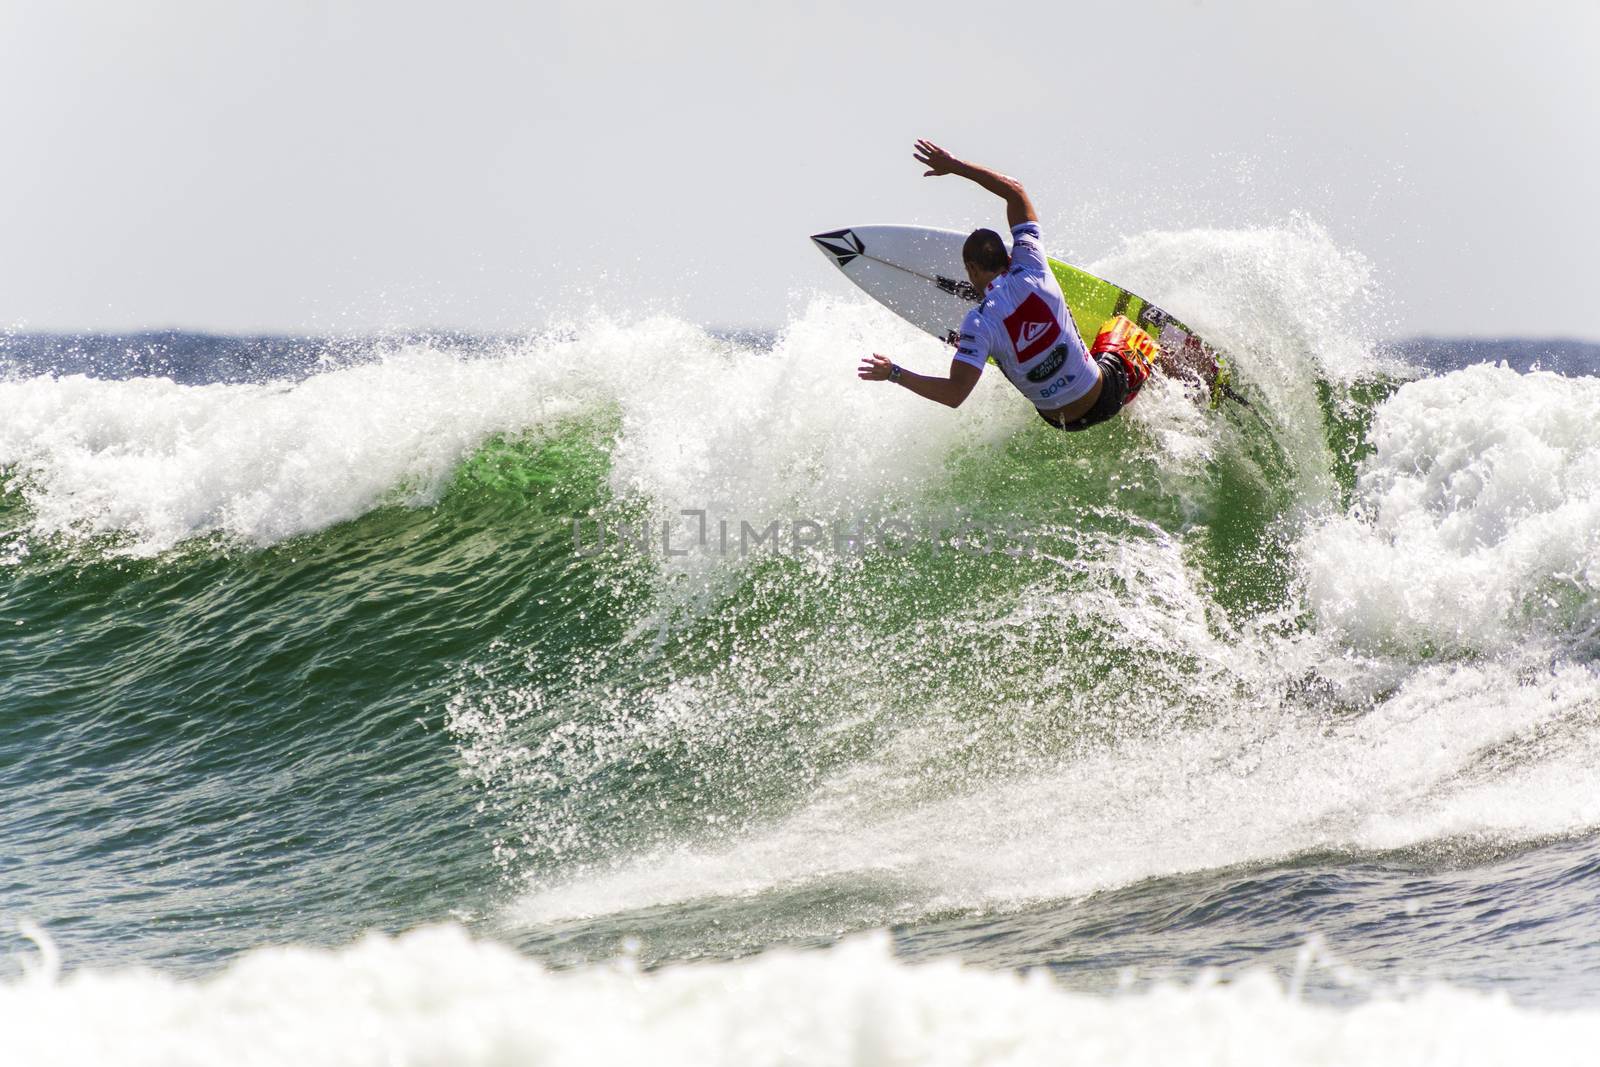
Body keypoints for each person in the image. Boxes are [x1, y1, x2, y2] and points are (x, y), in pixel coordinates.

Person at [857, 139, 1156, 431]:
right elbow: (1015, 191)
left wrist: (893, 373)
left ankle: (1123, 397)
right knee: (1124, 325)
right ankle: (1160, 381)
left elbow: (954, 395)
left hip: (1061, 422)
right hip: (1103, 395)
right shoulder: (1032, 265)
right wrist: (955, 166)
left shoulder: (977, 323)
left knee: (1012, 361)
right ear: (1008, 257)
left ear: (972, 269)